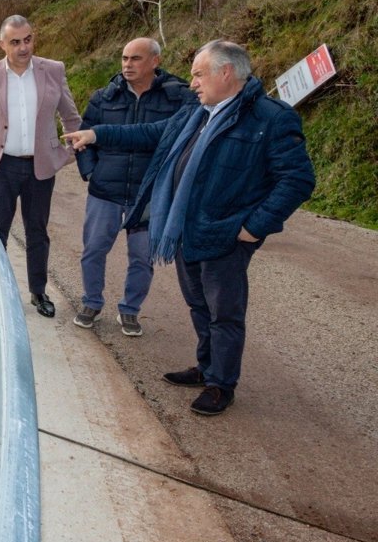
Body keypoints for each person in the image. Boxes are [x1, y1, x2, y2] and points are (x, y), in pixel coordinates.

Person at [63, 40, 315, 415]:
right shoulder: (196, 113)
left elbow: (297, 179)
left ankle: (221, 385)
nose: (193, 83)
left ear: (225, 73)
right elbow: (150, 132)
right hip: (186, 229)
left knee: (224, 312)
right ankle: (207, 367)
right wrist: (96, 134)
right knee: (199, 305)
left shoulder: (270, 118)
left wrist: (254, 227)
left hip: (226, 234)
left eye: (199, 74)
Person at [0, 14, 82, 318]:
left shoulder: (53, 70)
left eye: (28, 39)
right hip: (1, 168)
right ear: (2, 44)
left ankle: (38, 292)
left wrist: (69, 151)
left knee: (37, 231)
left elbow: (71, 116)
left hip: (41, 168)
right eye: (15, 42)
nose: (24, 47)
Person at [73, 38, 198, 336]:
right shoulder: (104, 97)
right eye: (124, 58)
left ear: (155, 61)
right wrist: (91, 171)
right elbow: (83, 136)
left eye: (135, 59)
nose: (127, 64)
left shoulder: (178, 98)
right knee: (93, 250)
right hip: (105, 190)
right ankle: (91, 302)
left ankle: (130, 310)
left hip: (149, 194)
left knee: (142, 257)